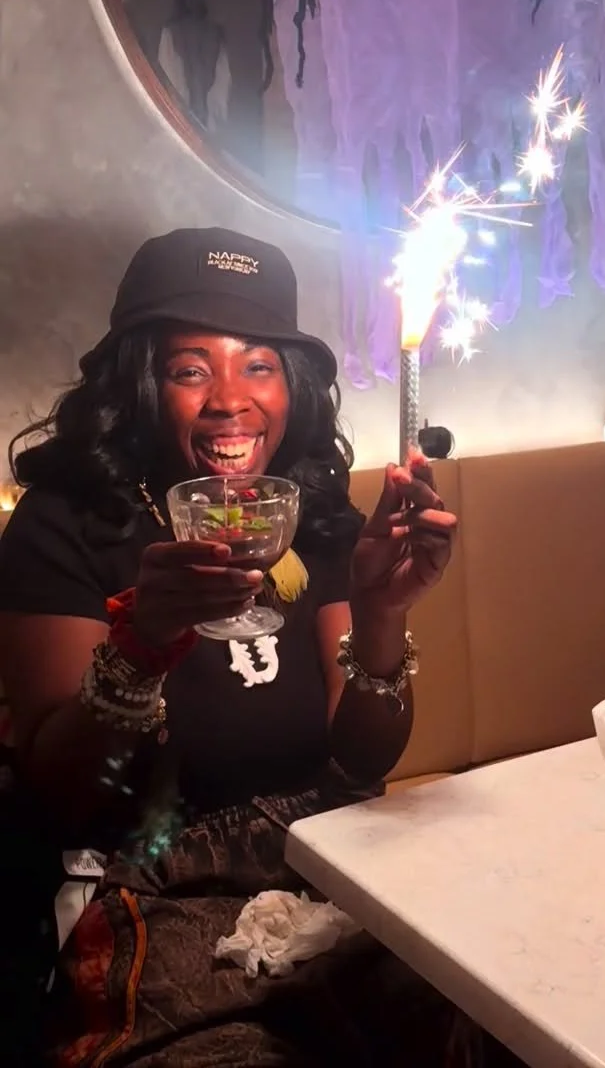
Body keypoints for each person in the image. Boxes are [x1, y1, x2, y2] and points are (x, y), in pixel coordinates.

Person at [0, 228, 515, 1067]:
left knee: (499, 1022)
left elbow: (363, 758)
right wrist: (146, 639)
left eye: (259, 365)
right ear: (141, 382)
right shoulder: (68, 525)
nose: (230, 399)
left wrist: (381, 616)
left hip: (331, 861)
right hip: (150, 891)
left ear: (291, 385)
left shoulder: (317, 514)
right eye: (190, 369)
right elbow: (62, 791)